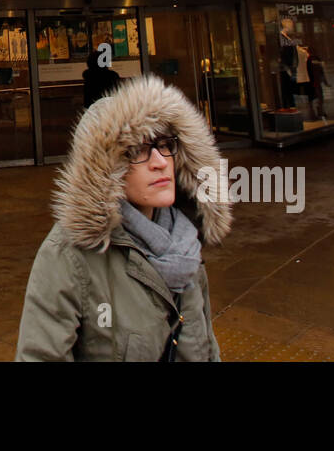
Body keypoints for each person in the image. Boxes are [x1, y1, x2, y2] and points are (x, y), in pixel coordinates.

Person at [16, 74, 231, 361]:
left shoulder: (185, 242)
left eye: (165, 145)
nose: (159, 162)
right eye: (137, 150)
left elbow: (206, 348)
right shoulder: (68, 256)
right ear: (105, 170)